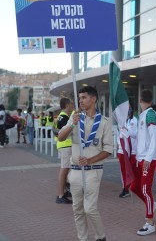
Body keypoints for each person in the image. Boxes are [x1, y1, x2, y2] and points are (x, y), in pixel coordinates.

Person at [58, 86, 113, 241]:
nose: (80, 101)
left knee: (90, 209)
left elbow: (108, 149)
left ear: (93, 99)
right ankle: (82, 238)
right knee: (77, 209)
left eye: (83, 97)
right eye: (79, 98)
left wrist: (90, 160)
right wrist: (71, 125)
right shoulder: (75, 118)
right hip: (75, 171)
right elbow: (61, 137)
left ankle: (100, 237)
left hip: (93, 170)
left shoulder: (104, 122)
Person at [130, 89, 156, 236]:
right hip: (140, 159)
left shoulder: (150, 114)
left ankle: (150, 223)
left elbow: (154, 137)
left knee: (146, 189)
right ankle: (152, 205)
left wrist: (148, 158)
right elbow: (141, 136)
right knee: (135, 187)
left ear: (140, 100)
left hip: (148, 159)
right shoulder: (143, 115)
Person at [55, 98, 74, 204]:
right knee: (64, 169)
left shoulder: (62, 116)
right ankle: (60, 195)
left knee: (66, 169)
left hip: (64, 145)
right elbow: (65, 132)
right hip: (65, 145)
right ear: (67, 105)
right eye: (71, 104)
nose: (72, 107)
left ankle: (65, 191)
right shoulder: (64, 117)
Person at [117, 103, 138, 198]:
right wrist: (119, 146)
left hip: (132, 150)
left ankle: (135, 187)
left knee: (133, 170)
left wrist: (127, 131)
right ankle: (125, 188)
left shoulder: (135, 120)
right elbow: (118, 135)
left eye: (128, 108)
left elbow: (136, 134)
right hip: (122, 150)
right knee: (123, 170)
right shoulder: (120, 121)